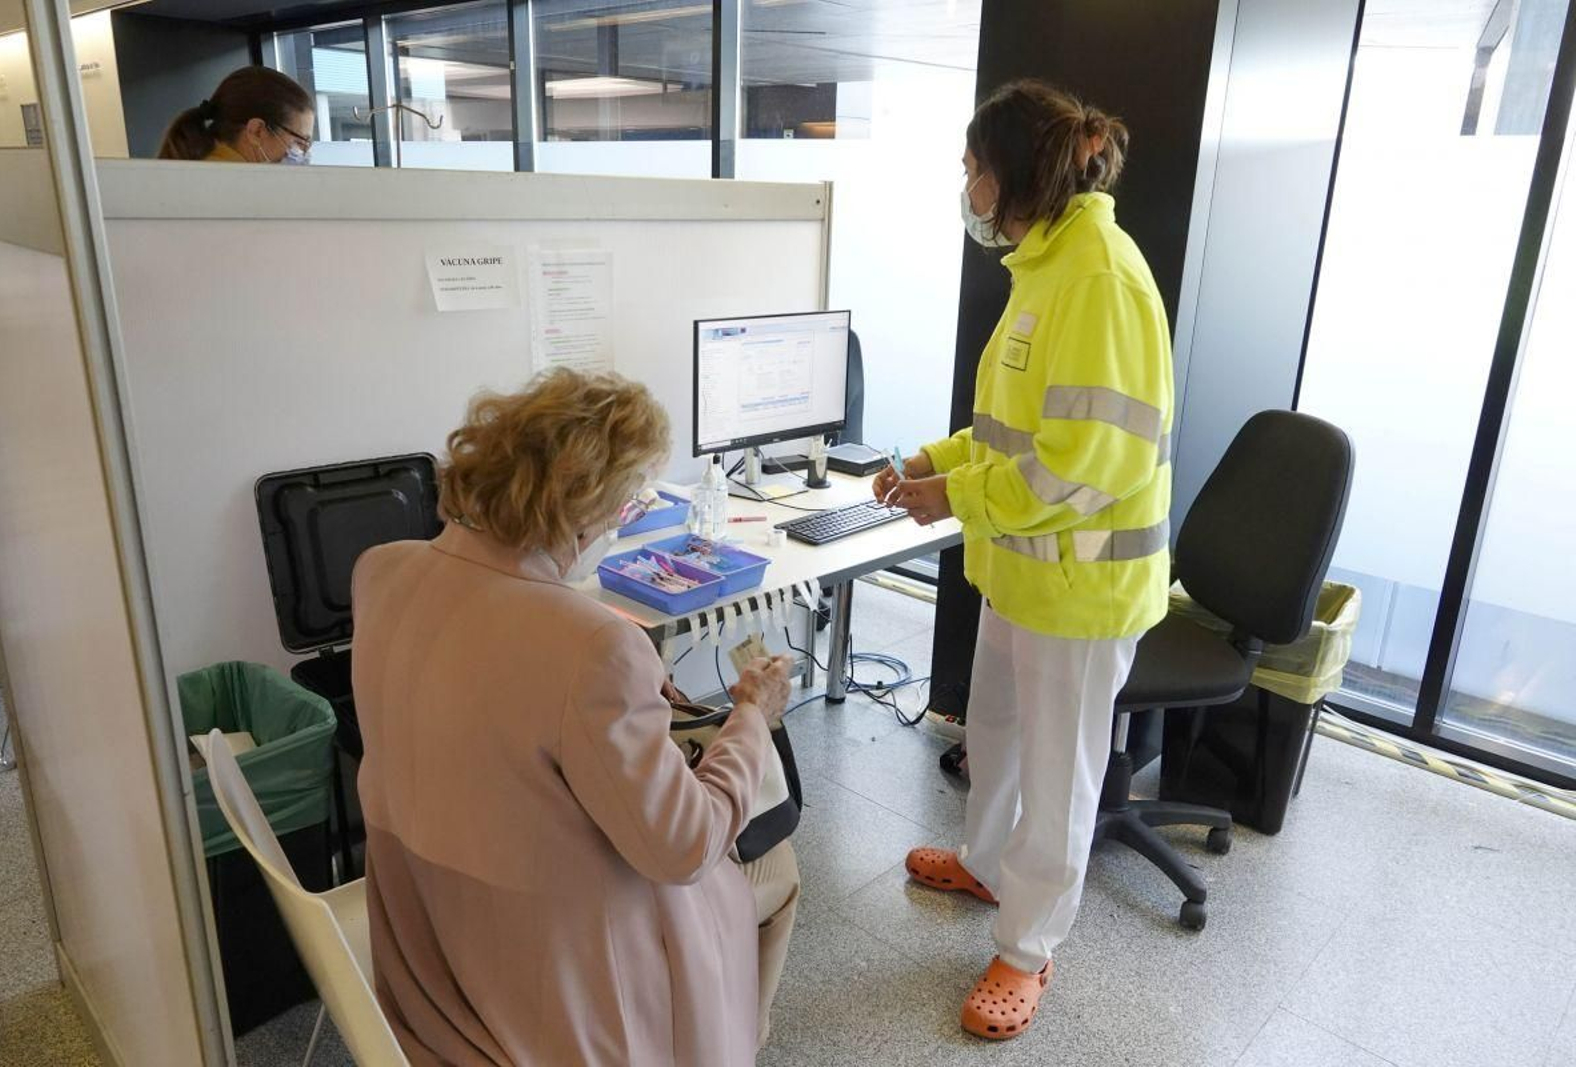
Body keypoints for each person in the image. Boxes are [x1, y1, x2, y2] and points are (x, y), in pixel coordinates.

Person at [352, 369, 801, 1065]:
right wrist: (750, 715)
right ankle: (734, 1037)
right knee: (777, 862)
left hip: (427, 953)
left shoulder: (380, 571)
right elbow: (683, 846)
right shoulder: (594, 643)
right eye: (631, 500)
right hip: (553, 987)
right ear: (589, 512)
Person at [875, 81, 1173, 1041]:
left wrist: (957, 498)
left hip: (1081, 587)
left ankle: (1029, 946)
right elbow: (1013, 434)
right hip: (1022, 570)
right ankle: (988, 865)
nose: (965, 186)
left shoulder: (1099, 278)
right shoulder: (1043, 267)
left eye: (971, 169)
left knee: (1059, 770)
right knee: (996, 730)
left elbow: (1085, 463)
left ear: (1012, 174)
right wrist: (942, 458)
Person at [157, 66, 314, 164]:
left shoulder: (193, 170)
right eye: (300, 142)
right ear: (256, 131)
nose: (304, 154)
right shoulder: (238, 189)